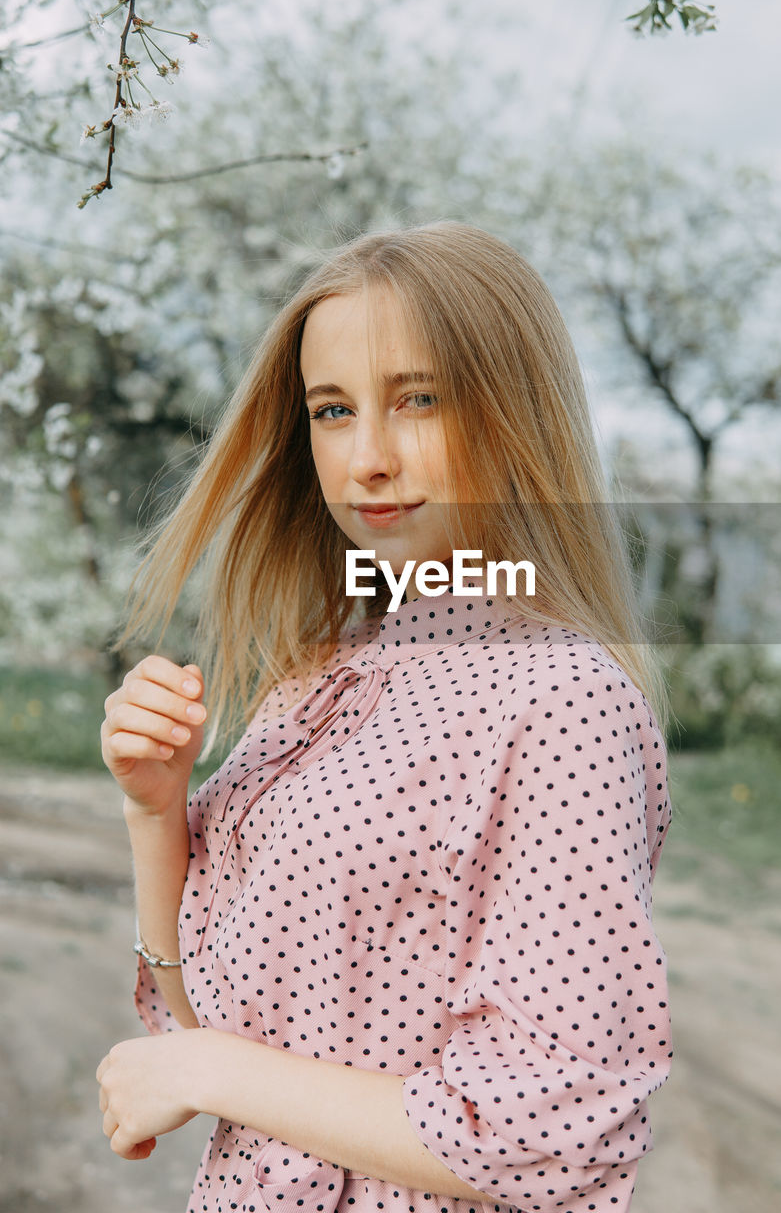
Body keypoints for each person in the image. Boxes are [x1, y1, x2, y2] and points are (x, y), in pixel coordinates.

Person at [96, 220, 673, 1213]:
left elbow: (541, 1133)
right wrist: (156, 809)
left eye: (416, 399)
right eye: (331, 409)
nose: (366, 457)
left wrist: (210, 1074)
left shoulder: (560, 697)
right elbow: (210, 1019)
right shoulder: (318, 681)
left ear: (513, 410)